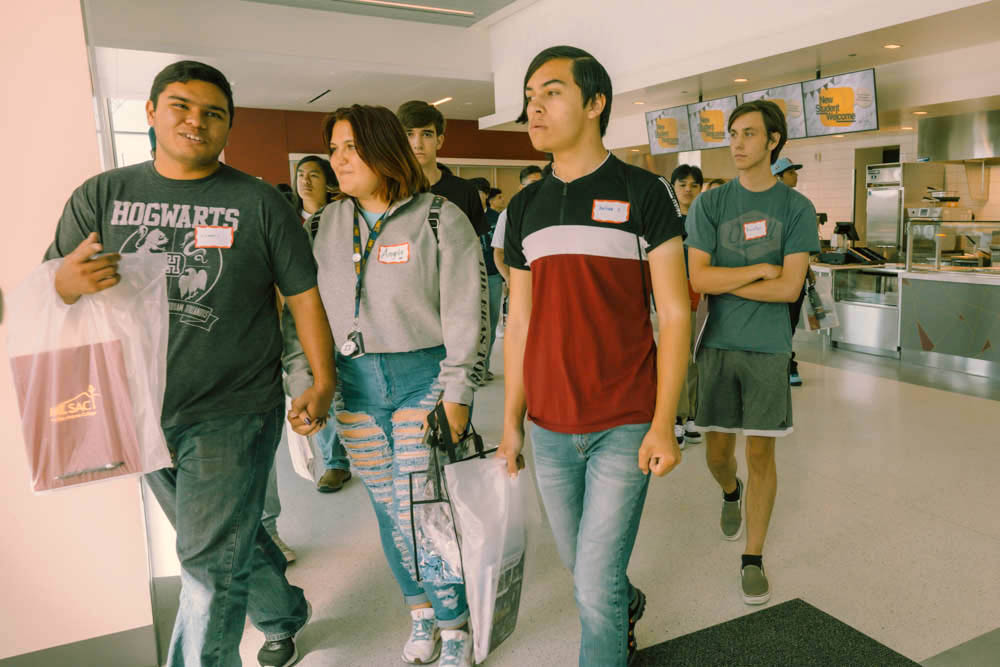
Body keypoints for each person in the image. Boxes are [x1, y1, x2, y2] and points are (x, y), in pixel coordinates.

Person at [46, 60, 332, 667]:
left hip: (233, 407)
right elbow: (52, 292)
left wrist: (322, 380)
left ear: (229, 126)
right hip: (138, 408)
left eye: (213, 113)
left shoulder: (257, 203)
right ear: (151, 113)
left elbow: (304, 297)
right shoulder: (102, 196)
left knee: (203, 563)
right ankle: (282, 610)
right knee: (219, 536)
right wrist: (65, 282)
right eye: (180, 106)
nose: (196, 121)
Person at [498, 46, 690, 667]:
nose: (534, 105)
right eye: (530, 95)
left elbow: (676, 311)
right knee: (585, 566)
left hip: (625, 418)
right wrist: (510, 421)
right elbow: (519, 318)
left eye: (551, 91)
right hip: (549, 424)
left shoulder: (642, 192)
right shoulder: (523, 207)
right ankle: (624, 598)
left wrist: (665, 422)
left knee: (590, 584)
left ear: (595, 103)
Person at [304, 104, 487, 667]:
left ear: (384, 150)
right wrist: (307, 381)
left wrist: (458, 392)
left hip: (423, 380)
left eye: (351, 148)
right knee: (388, 507)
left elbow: (466, 313)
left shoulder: (439, 218)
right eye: (334, 148)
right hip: (355, 388)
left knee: (422, 504)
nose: (339, 159)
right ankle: (420, 612)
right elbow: (299, 316)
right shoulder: (324, 225)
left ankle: (455, 620)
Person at [685, 100, 819, 606]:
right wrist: (759, 271)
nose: (737, 144)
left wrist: (734, 280)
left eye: (747, 134)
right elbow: (699, 278)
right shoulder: (710, 205)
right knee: (719, 455)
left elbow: (790, 290)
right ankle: (729, 492)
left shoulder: (795, 209)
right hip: (715, 344)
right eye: (732, 134)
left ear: (773, 141)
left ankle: (753, 557)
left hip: (767, 348)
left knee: (761, 452)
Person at [290, 155, 354, 493]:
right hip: (307, 317)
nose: (305, 181)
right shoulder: (288, 222)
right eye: (301, 174)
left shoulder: (343, 220)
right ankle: (335, 462)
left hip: (345, 316)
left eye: (314, 174)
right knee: (318, 384)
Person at [397, 100, 487, 236]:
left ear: (439, 141)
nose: (417, 144)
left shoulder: (465, 192)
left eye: (426, 134)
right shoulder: (388, 191)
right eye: (409, 134)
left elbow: (474, 247)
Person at [669, 163, 704, 450]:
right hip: (676, 298)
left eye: (694, 184)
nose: (688, 189)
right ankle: (677, 418)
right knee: (680, 357)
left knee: (696, 358)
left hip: (703, 297)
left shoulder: (705, 219)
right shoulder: (667, 219)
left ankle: (692, 413)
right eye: (682, 184)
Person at [771, 156, 807, 386]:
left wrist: (808, 269)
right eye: (791, 172)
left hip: (797, 274)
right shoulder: (772, 204)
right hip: (778, 275)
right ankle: (783, 362)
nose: (796, 175)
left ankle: (784, 360)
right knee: (780, 322)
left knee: (790, 323)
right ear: (779, 176)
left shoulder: (798, 203)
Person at [491, 165, 544, 284]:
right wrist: (509, 279)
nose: (538, 188)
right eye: (533, 184)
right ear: (521, 188)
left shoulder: (550, 213)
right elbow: (498, 252)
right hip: (521, 278)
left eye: (542, 184)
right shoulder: (509, 213)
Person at [481, 187, 505, 379]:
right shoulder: (463, 215)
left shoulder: (497, 218)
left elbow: (501, 250)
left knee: (490, 321)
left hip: (493, 275)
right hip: (469, 276)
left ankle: (483, 368)